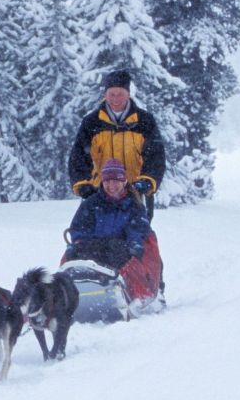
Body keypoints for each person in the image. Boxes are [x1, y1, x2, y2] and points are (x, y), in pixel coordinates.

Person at [64, 158, 163, 303]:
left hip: (121, 248)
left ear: (123, 181)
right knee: (78, 253)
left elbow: (138, 228)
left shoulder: (133, 204)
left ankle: (126, 292)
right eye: (107, 181)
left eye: (116, 181)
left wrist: (134, 243)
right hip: (95, 247)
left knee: (117, 251)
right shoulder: (91, 203)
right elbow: (80, 227)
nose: (111, 186)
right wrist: (78, 243)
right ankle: (73, 291)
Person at [69, 69, 165, 208]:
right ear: (105, 95)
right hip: (98, 194)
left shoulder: (144, 121)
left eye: (120, 94)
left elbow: (156, 156)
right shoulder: (91, 122)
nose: (115, 99)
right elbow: (78, 156)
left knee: (137, 230)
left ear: (128, 94)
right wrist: (83, 183)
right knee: (97, 229)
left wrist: (148, 181)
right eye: (111, 94)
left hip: (135, 193)